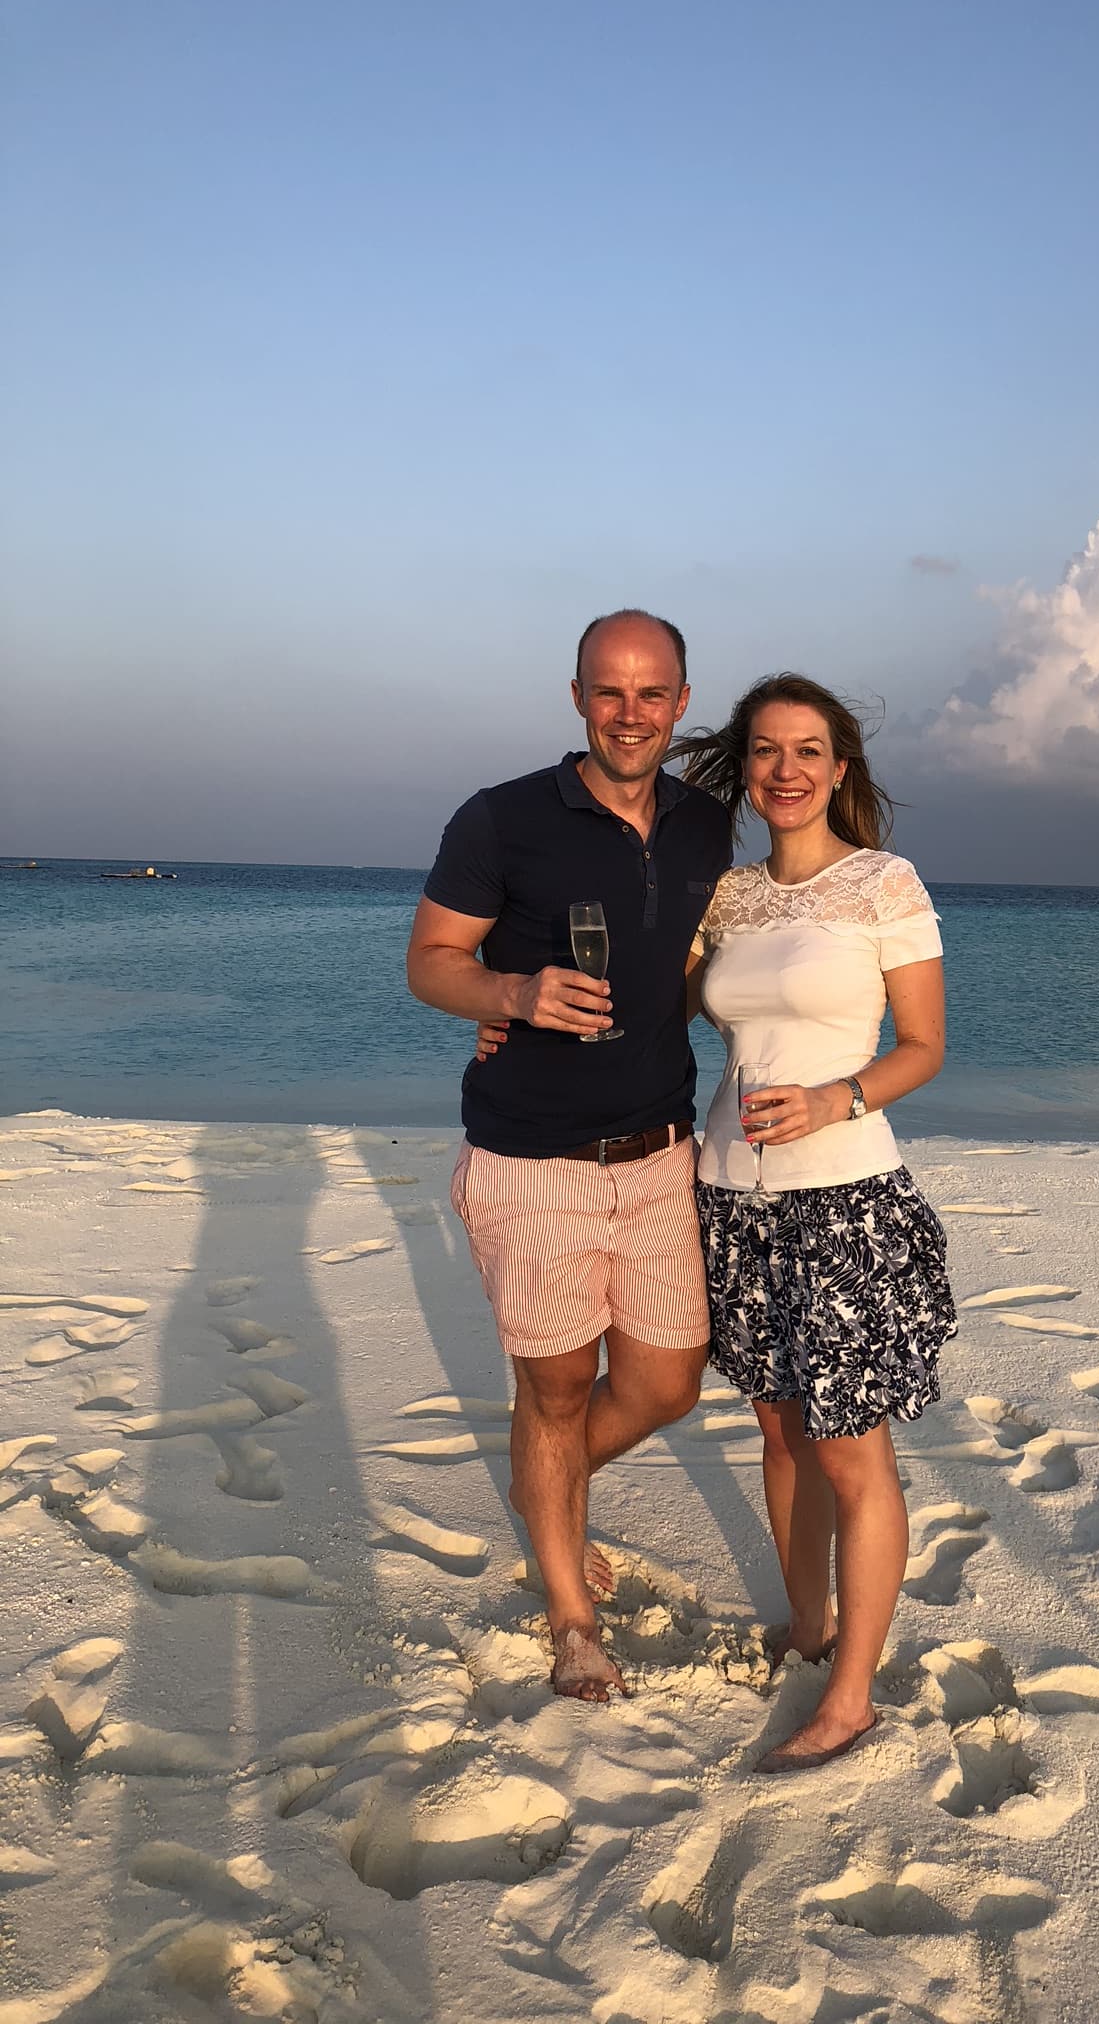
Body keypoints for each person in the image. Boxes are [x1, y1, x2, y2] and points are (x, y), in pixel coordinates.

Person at [407, 610, 732, 1704]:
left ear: (682, 702)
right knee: (552, 1388)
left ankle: (543, 1489)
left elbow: (690, 967)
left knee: (665, 1380)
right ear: (578, 695)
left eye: (652, 693)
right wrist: (511, 994)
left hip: (660, 1155)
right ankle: (573, 1618)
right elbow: (431, 962)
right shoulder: (500, 819)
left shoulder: (704, 824)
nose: (629, 713)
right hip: (531, 1157)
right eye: (609, 691)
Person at [682, 673, 955, 1772]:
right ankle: (808, 1630)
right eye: (764, 751)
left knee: (850, 1446)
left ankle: (851, 1697)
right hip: (731, 1195)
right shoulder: (727, 893)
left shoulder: (883, 883)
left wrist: (835, 1095)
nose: (784, 769)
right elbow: (657, 1002)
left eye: (807, 750)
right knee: (779, 1427)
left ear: (841, 768)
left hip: (844, 1197)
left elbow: (924, 1046)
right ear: (744, 769)